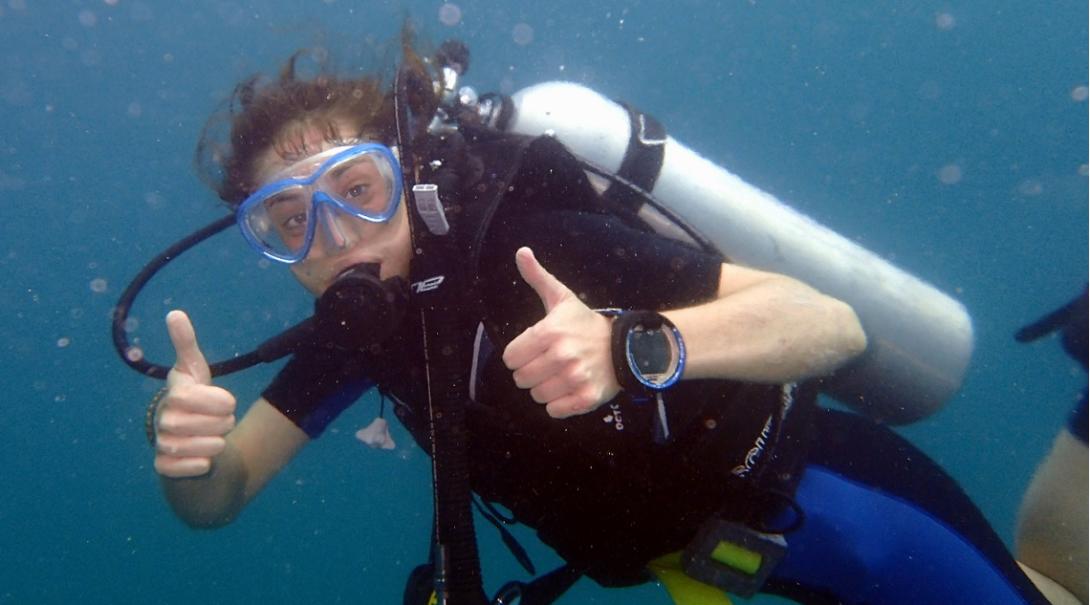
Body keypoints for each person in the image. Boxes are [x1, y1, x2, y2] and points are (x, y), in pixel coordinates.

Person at [140, 34, 1070, 605]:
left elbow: (827, 323)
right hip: (730, 563)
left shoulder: (535, 244)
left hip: (844, 508)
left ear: (410, 175)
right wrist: (185, 456)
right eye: (289, 221)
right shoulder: (363, 331)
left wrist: (635, 346)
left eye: (357, 190)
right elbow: (218, 498)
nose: (336, 237)